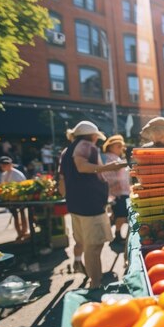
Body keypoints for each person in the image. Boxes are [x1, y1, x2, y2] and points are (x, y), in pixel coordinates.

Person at [58, 121, 125, 288]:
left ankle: (89, 274)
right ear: (93, 136)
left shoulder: (66, 151)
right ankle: (95, 284)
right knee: (94, 247)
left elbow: (62, 184)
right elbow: (82, 167)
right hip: (91, 206)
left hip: (76, 205)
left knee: (86, 243)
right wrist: (106, 168)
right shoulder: (87, 145)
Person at [102, 135, 130, 243]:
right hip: (118, 192)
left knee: (120, 215)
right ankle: (117, 236)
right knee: (121, 215)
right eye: (118, 146)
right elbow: (109, 176)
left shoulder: (116, 158)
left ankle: (117, 234)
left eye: (121, 146)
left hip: (121, 191)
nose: (121, 148)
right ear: (110, 147)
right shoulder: (109, 158)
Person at [0, 156, 29, 242]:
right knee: (15, 216)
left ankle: (25, 231)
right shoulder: (3, 175)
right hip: (10, 198)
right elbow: (2, 186)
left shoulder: (17, 173)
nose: (5, 166)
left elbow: (23, 185)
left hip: (19, 197)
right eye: (3, 164)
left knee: (22, 213)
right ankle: (19, 233)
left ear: (11, 164)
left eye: (6, 164)